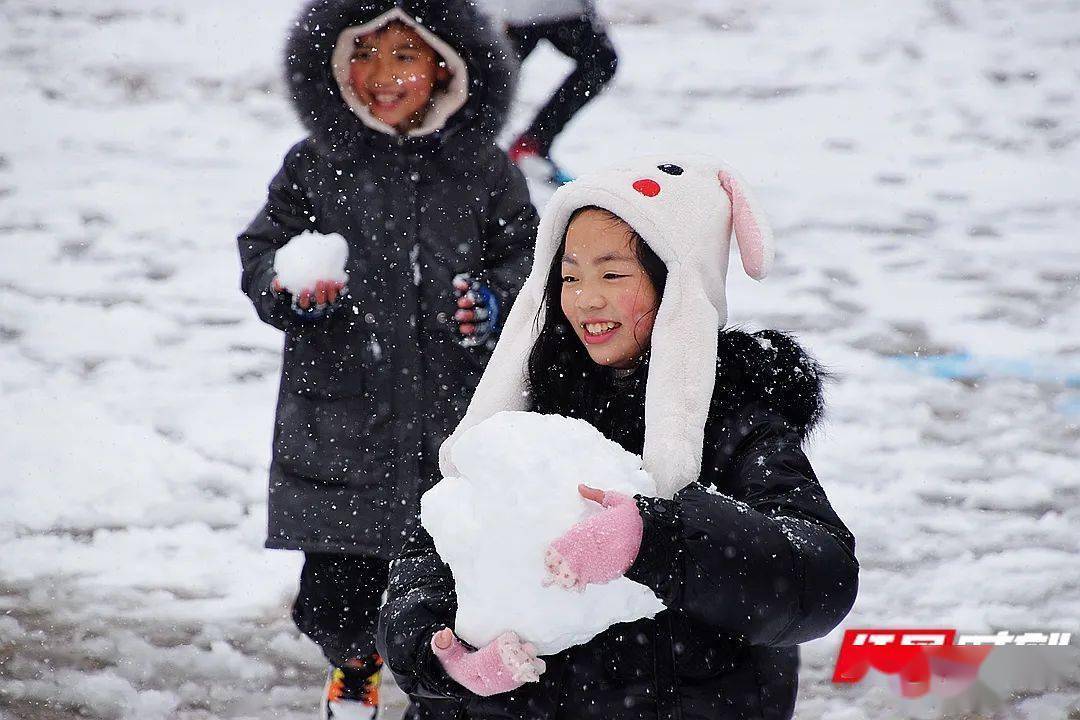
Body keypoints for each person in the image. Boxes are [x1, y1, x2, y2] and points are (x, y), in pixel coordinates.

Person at [376, 158, 859, 719]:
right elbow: (431, 552)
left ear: (676, 283)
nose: (585, 299)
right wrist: (442, 659)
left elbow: (817, 578)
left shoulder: (731, 416)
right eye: (569, 276)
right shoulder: (528, 405)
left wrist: (658, 537)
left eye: (612, 274)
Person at [236, 1, 536, 717]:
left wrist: (493, 302)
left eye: (403, 55)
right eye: (363, 54)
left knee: (455, 576)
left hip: (453, 422)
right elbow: (262, 249)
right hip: (345, 421)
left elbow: (528, 261)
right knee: (341, 588)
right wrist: (288, 284)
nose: (380, 75)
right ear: (334, 65)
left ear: (447, 65)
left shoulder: (483, 170)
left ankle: (446, 692)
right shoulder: (316, 166)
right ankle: (355, 665)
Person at [482, 0, 619, 184]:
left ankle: (530, 144)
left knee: (600, 62)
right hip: (524, 11)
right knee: (490, 78)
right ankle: (468, 152)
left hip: (554, 9)